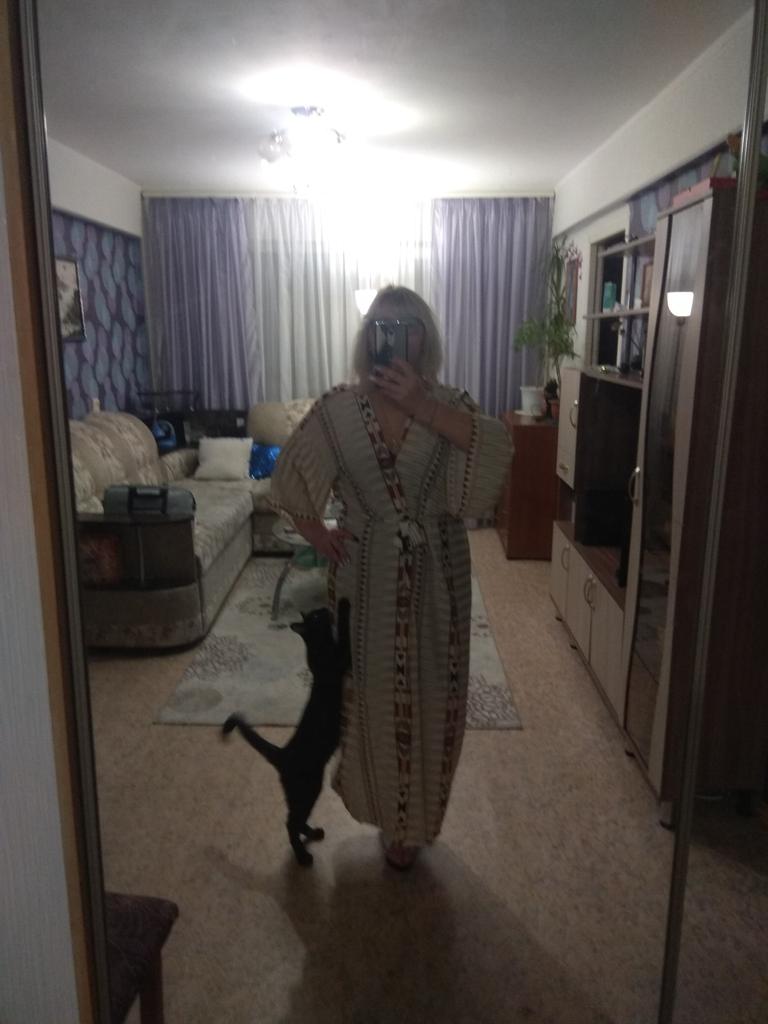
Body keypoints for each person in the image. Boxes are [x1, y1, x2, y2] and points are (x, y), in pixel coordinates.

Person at [269, 285, 512, 869]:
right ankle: (388, 815)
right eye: (383, 326)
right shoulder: (339, 409)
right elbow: (292, 476)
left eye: (408, 327)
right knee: (371, 699)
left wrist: (424, 407)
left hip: (439, 576)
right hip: (367, 579)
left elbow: (496, 454)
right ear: (368, 338)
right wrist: (317, 535)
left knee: (436, 698)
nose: (395, 337)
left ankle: (415, 821)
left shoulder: (452, 404)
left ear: (425, 338)